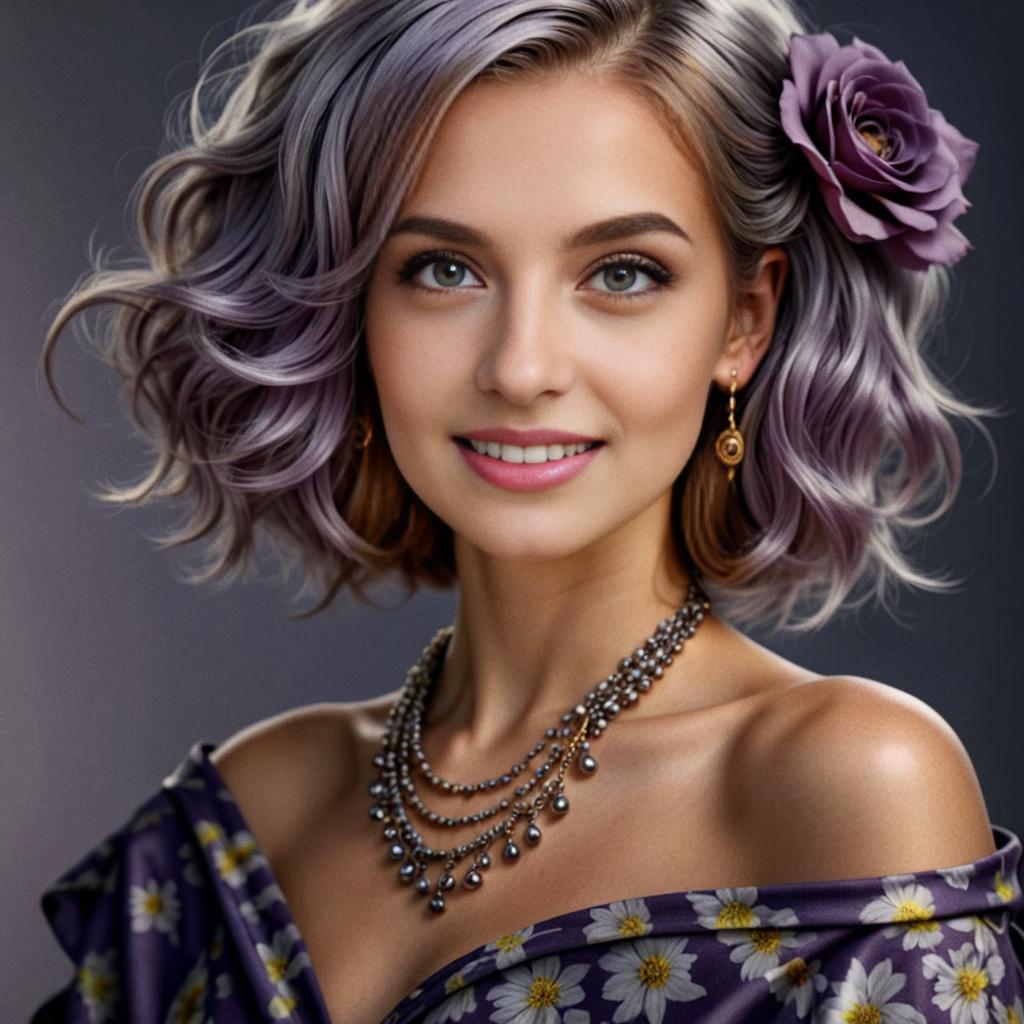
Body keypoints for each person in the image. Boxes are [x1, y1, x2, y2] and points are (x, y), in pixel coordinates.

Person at [32, 0, 1024, 1021]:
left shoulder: (849, 782)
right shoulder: (254, 808)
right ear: (354, 309)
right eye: (442, 269)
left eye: (621, 273)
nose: (520, 367)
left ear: (743, 319)